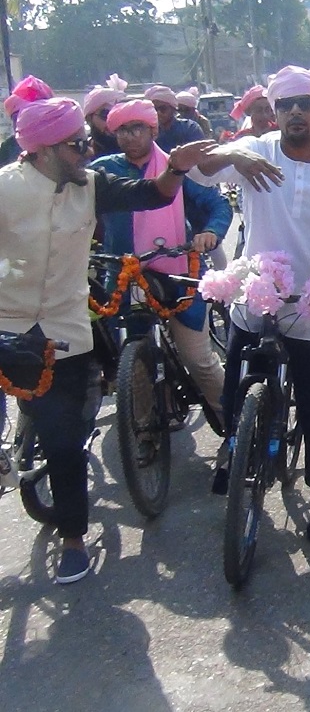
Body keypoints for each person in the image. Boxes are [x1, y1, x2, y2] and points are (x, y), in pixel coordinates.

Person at [0, 97, 215, 583]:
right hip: (6, 328)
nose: (88, 150)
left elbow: (153, 194)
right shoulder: (5, 191)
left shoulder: (91, 184)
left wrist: (177, 169)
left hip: (67, 334)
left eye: (86, 141)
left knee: (64, 442)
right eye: (77, 144)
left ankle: (73, 538)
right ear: (41, 151)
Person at [187, 65, 310, 542]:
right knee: (235, 394)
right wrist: (236, 149)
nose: (295, 111)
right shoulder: (253, 151)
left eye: (305, 104)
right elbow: (197, 170)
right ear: (274, 112)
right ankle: (234, 448)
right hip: (254, 294)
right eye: (285, 105)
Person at [92, 100, 229, 435]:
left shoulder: (175, 168)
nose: (128, 136)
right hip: (123, 277)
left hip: (176, 275)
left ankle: (237, 425)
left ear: (153, 130)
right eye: (122, 129)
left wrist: (210, 232)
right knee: (130, 365)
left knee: (200, 361)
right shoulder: (101, 171)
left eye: (137, 128)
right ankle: (143, 430)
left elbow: (216, 204)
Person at [0, 75, 53, 166]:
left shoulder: (61, 143)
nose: (22, 122)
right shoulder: (8, 146)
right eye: (17, 118)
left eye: (31, 117)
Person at [146, 85, 206, 153]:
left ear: (173, 109)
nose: (158, 113)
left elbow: (199, 154)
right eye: (154, 109)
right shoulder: (148, 132)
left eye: (163, 109)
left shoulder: (190, 128)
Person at [82, 73, 127, 158]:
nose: (111, 121)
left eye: (117, 114)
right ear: (89, 119)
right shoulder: (81, 154)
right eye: (105, 115)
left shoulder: (135, 152)